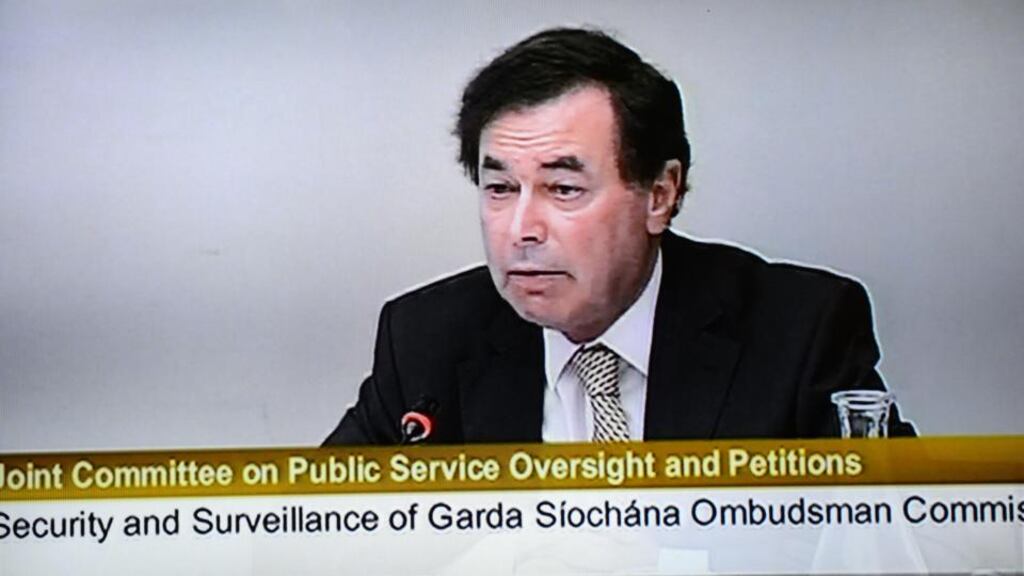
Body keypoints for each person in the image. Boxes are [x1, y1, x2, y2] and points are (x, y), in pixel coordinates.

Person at [323, 27, 914, 445]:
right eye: (500, 189)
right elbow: (324, 535)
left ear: (660, 194)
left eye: (563, 189)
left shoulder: (798, 334)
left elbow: (906, 541)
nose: (522, 231)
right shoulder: (428, 340)